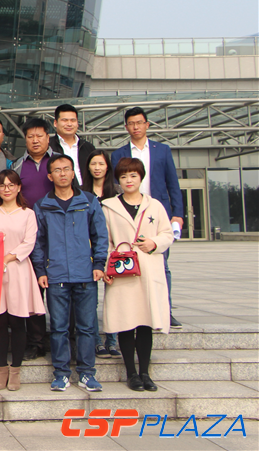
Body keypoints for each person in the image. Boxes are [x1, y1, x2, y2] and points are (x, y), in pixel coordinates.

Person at [30, 154, 109, 393]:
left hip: (86, 274)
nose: (62, 174)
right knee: (59, 328)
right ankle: (61, 373)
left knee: (86, 327)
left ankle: (87, 373)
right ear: (50, 176)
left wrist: (99, 264)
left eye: (66, 169)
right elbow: (38, 242)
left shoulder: (88, 201)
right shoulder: (42, 205)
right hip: (56, 276)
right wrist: (41, 270)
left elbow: (100, 235)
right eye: (57, 170)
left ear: (74, 173)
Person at [101, 158, 174, 392]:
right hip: (122, 271)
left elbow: (167, 233)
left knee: (144, 322)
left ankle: (145, 372)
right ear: (118, 180)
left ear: (141, 177)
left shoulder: (155, 206)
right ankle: (131, 373)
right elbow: (104, 240)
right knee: (125, 320)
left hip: (148, 269)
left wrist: (154, 242)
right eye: (123, 177)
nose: (129, 180)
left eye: (133, 175)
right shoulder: (109, 207)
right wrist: (106, 267)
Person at [111, 107, 185, 329]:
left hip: (155, 213)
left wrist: (177, 214)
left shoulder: (162, 150)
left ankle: (165, 310)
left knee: (161, 263)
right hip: (129, 213)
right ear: (126, 127)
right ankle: (135, 311)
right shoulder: (118, 154)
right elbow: (115, 185)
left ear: (147, 125)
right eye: (131, 123)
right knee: (129, 261)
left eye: (139, 122)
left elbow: (173, 184)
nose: (136, 127)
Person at [0, 170, 44, 392]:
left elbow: (29, 242)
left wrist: (7, 258)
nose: (6, 189)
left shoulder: (28, 214)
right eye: (2, 185)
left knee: (18, 321)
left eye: (11, 185)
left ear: (19, 188)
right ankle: (2, 370)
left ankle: (16, 370)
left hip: (19, 269)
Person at [11, 117, 54, 360]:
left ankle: (61, 338)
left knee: (57, 288)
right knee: (33, 289)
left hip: (55, 234)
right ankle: (36, 341)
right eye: (30, 136)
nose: (35, 140)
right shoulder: (18, 165)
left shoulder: (58, 163)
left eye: (39, 135)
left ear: (48, 137)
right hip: (28, 235)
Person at [81, 150, 123, 359]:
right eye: (93, 164)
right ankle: (97, 341)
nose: (97, 168)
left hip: (114, 250)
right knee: (91, 300)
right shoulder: (81, 192)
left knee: (113, 297)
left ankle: (112, 340)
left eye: (101, 164)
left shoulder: (117, 191)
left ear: (108, 167)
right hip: (88, 251)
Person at [49, 104, 95, 186]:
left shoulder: (88, 147)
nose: (69, 124)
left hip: (86, 191)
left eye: (73, 120)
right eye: (65, 120)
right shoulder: (48, 147)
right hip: (59, 191)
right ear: (55, 123)